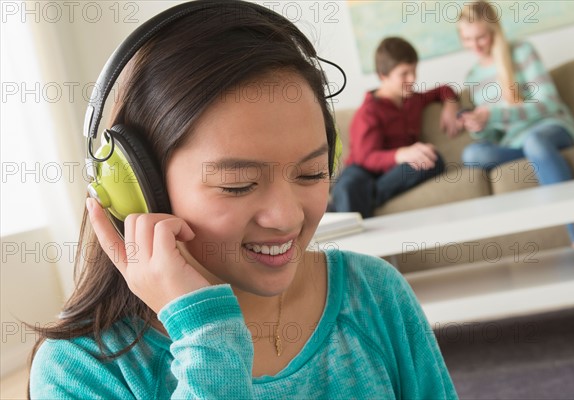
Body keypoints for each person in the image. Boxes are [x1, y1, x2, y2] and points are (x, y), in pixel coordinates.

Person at [28, 1, 458, 399]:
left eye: (310, 173)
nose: (287, 217)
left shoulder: (376, 294)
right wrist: (208, 338)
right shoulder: (80, 371)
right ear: (140, 190)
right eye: (237, 184)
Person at [457, 0, 574, 246]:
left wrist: (495, 114)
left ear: (494, 31)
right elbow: (496, 135)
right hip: (515, 143)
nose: (474, 45)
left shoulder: (522, 52)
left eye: (481, 37)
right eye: (467, 39)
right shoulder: (473, 77)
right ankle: (545, 156)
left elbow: (548, 103)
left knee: (536, 142)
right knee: (472, 154)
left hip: (549, 127)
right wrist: (480, 126)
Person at [330, 37, 461, 218]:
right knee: (349, 186)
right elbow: (365, 157)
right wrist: (402, 154)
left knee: (433, 159)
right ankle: (349, 201)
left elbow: (443, 89)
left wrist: (451, 104)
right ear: (383, 76)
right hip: (364, 170)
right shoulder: (368, 111)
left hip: (395, 173)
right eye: (404, 74)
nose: (413, 79)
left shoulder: (413, 99)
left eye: (414, 71)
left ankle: (355, 201)